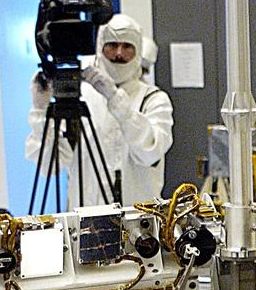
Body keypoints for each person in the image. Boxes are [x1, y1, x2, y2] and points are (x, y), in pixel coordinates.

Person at [26, 13, 174, 208]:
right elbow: (50, 165)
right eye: (112, 45)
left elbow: (149, 153)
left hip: (136, 221)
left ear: (138, 51)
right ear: (100, 48)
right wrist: (40, 112)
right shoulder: (82, 98)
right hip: (87, 221)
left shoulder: (153, 100)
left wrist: (116, 99)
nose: (119, 54)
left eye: (127, 46)